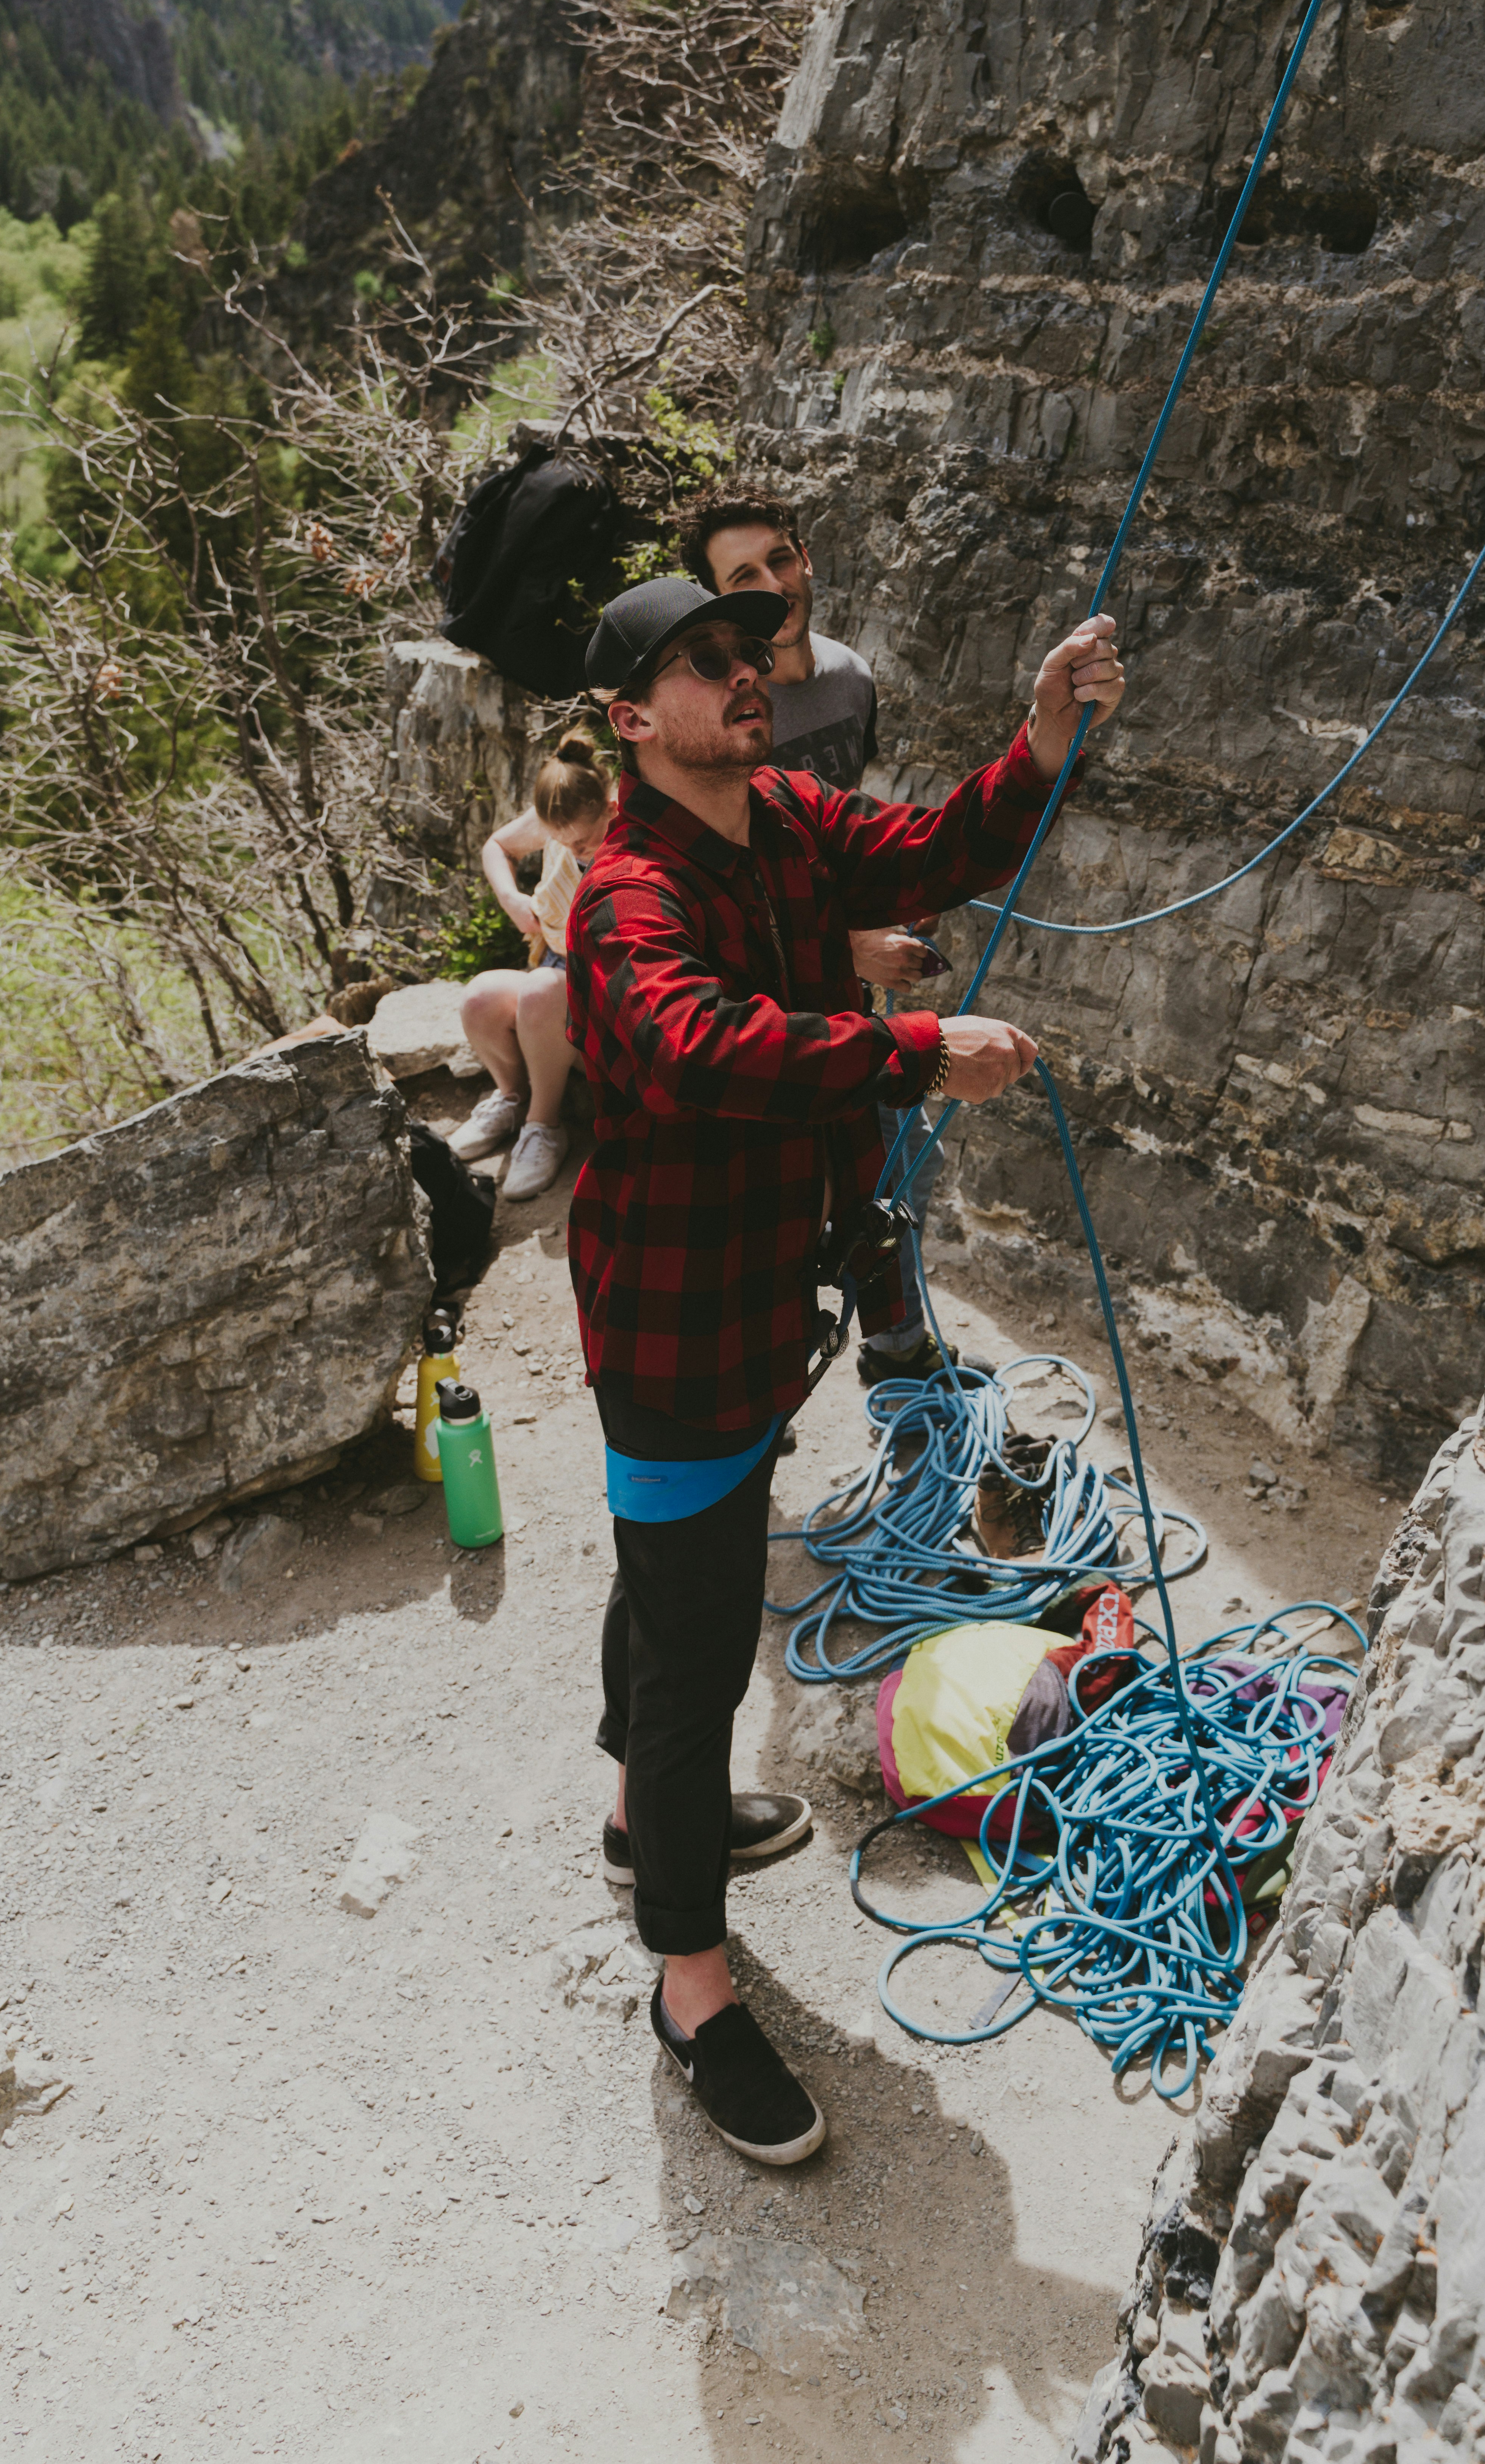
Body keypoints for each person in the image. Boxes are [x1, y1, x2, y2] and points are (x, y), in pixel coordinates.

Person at [564, 569, 1124, 2164]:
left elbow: (942, 846)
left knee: (679, 1575)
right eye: (702, 665)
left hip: (751, 1316)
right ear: (630, 717)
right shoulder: (625, 895)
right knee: (695, 1651)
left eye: (751, 656)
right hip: (674, 1330)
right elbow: (699, 1044)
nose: (746, 678)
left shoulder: (789, 822)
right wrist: (913, 1051)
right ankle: (687, 1975)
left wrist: (1037, 736)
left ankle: (632, 1819)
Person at [679, 484, 949, 1385]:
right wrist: (851, 947)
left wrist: (890, 898)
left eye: (781, 558)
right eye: (744, 574)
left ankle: (896, 1354)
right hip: (752, 1012)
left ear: (807, 557)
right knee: (782, 1196)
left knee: (891, 1164)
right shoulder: (720, 716)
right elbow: (709, 898)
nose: (776, 584)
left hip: (836, 989)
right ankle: (764, 1384)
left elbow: (828, 841)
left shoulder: (848, 676)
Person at [450, 729, 617, 1202]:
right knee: (480, 997)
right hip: (556, 968)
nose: (575, 849)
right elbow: (497, 847)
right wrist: (511, 899)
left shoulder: (635, 821)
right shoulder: (561, 818)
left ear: (609, 806)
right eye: (561, 840)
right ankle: (510, 1096)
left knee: (543, 988)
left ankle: (543, 1126)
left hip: (611, 1000)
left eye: (583, 841)